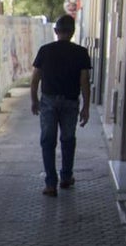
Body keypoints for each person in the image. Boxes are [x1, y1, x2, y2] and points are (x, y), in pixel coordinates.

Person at [30, 15, 91, 196]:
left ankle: (50, 184)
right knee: (68, 140)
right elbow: (84, 82)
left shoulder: (45, 51)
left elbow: (35, 80)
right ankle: (66, 177)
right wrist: (86, 107)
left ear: (56, 32)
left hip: (48, 101)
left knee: (48, 141)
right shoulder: (81, 52)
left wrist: (34, 100)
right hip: (71, 102)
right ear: (72, 32)